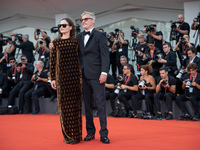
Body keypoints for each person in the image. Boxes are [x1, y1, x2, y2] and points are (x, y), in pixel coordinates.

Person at [77, 11, 110, 144]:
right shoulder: (79, 36)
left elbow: (105, 55)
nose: (83, 21)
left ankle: (104, 133)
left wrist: (104, 72)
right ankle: (90, 132)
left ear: (93, 20)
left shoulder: (100, 35)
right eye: (82, 20)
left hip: (97, 75)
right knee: (88, 105)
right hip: (83, 75)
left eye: (86, 19)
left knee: (100, 104)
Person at [50, 18, 82, 144]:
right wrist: (52, 78)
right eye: (60, 25)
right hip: (62, 78)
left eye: (64, 25)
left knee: (76, 107)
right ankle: (68, 136)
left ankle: (78, 135)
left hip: (75, 78)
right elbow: (52, 62)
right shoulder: (56, 42)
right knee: (64, 108)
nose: (61, 27)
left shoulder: (76, 41)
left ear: (70, 27)